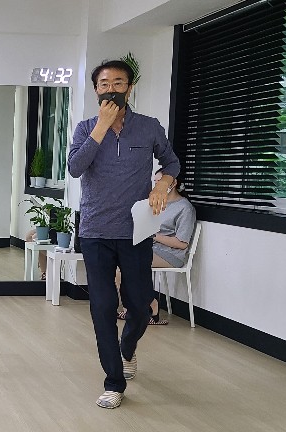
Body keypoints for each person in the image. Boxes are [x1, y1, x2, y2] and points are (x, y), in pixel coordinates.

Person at [68, 60, 180, 409]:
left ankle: (127, 348)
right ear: (96, 90)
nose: (111, 88)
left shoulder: (148, 127)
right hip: (95, 230)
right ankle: (114, 381)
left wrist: (161, 185)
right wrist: (101, 126)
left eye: (118, 82)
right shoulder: (86, 128)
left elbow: (171, 163)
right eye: (104, 84)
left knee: (140, 304)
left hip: (136, 232)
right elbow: (75, 167)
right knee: (102, 306)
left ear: (129, 88)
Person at [118, 169, 197, 326]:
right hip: (151, 248)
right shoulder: (158, 203)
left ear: (172, 183)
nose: (155, 186)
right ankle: (136, 308)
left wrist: (153, 235)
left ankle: (149, 307)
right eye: (155, 182)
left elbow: (182, 243)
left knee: (128, 264)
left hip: (171, 255)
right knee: (118, 263)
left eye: (159, 182)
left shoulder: (185, 208)